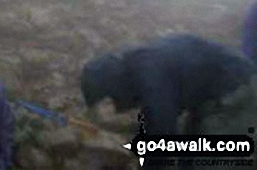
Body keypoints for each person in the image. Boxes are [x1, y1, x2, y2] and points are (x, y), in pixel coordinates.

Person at [80, 33, 257, 136]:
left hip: (238, 90)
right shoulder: (140, 67)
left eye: (108, 99)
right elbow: (155, 118)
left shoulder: (149, 74)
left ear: (113, 84)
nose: (114, 104)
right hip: (213, 95)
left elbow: (162, 132)